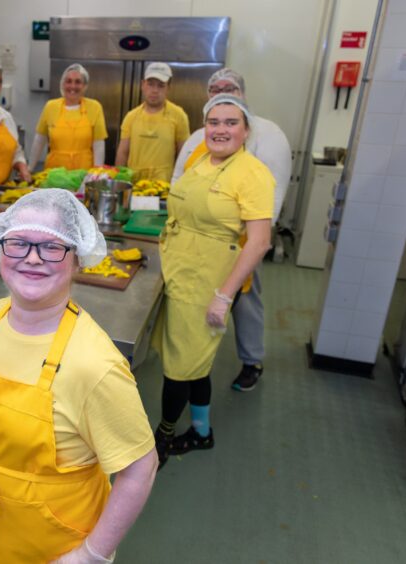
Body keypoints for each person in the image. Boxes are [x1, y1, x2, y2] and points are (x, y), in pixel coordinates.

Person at [0, 189, 157, 562]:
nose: (32, 258)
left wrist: (89, 556)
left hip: (60, 545)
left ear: (78, 259)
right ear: (0, 249)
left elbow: (141, 467)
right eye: (19, 243)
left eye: (52, 247)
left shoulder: (94, 365)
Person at [155, 95, 274, 466]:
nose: (220, 129)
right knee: (195, 362)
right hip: (179, 270)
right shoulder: (200, 161)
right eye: (213, 122)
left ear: (246, 130)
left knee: (179, 366)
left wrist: (224, 297)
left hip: (209, 280)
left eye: (230, 122)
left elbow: (259, 242)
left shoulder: (253, 174)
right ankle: (202, 432)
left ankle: (163, 437)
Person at [173, 68, 292, 392]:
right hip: (193, 245)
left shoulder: (268, 135)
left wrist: (253, 242)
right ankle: (192, 364)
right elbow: (178, 179)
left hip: (238, 243)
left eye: (229, 88)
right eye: (215, 89)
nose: (221, 93)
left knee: (244, 300)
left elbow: (272, 199)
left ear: (243, 94)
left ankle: (252, 360)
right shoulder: (200, 136)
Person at [115, 62, 190, 182]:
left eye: (161, 86)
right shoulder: (131, 117)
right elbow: (123, 153)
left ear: (168, 87)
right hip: (134, 184)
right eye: (150, 84)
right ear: (142, 85)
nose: (154, 91)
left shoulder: (179, 116)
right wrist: (119, 182)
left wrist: (179, 182)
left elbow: (184, 154)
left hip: (163, 185)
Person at [29, 64, 107, 171]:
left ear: (84, 86)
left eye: (78, 82)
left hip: (83, 175)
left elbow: (98, 144)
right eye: (69, 81)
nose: (73, 86)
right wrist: (29, 168)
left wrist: (97, 173)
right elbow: (39, 141)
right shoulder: (51, 106)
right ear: (63, 84)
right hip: (54, 174)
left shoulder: (94, 107)